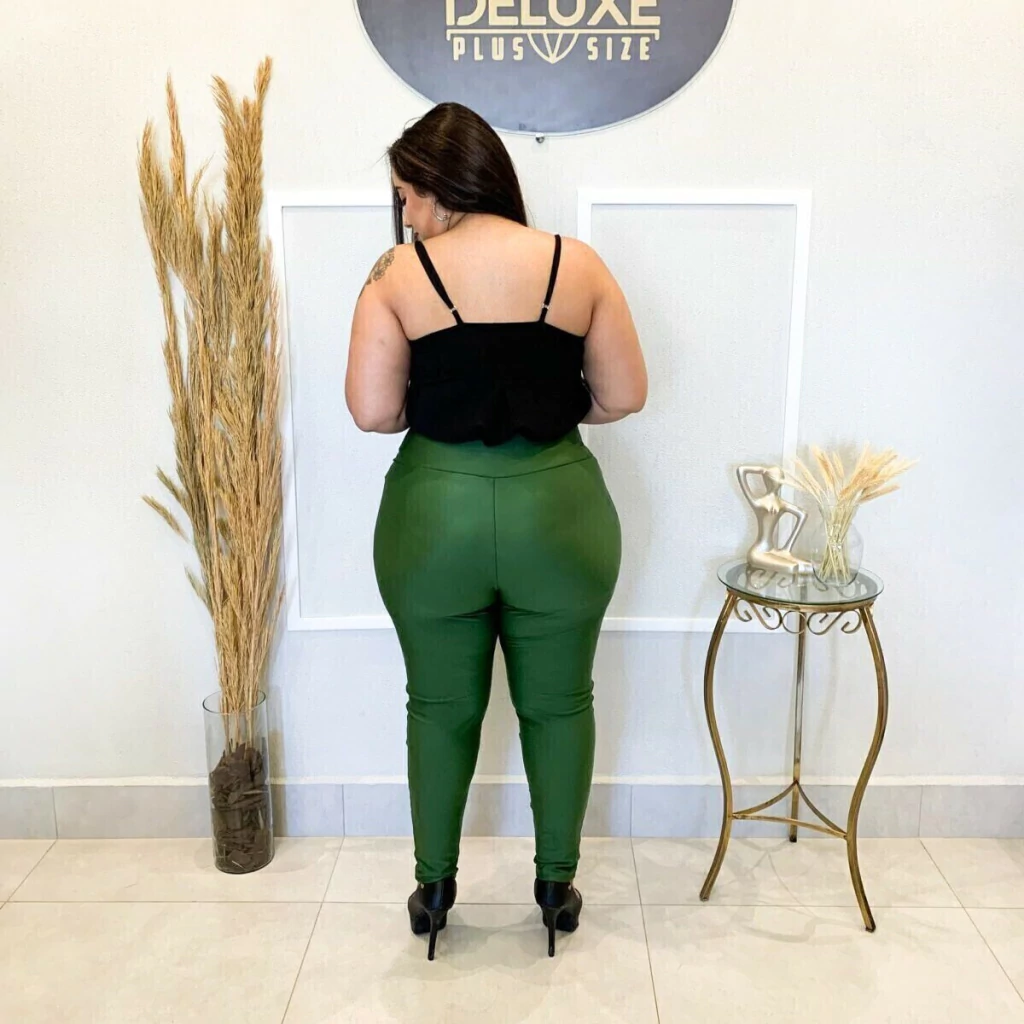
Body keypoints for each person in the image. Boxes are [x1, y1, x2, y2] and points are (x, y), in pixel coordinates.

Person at [346, 102, 647, 961]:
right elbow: (624, 395)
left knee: (439, 706)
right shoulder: (577, 265)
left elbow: (372, 411)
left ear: (440, 186)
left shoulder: (394, 277)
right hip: (559, 509)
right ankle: (555, 888)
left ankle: (435, 889)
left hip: (433, 514)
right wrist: (542, 409)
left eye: (407, 195)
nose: (406, 214)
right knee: (561, 702)